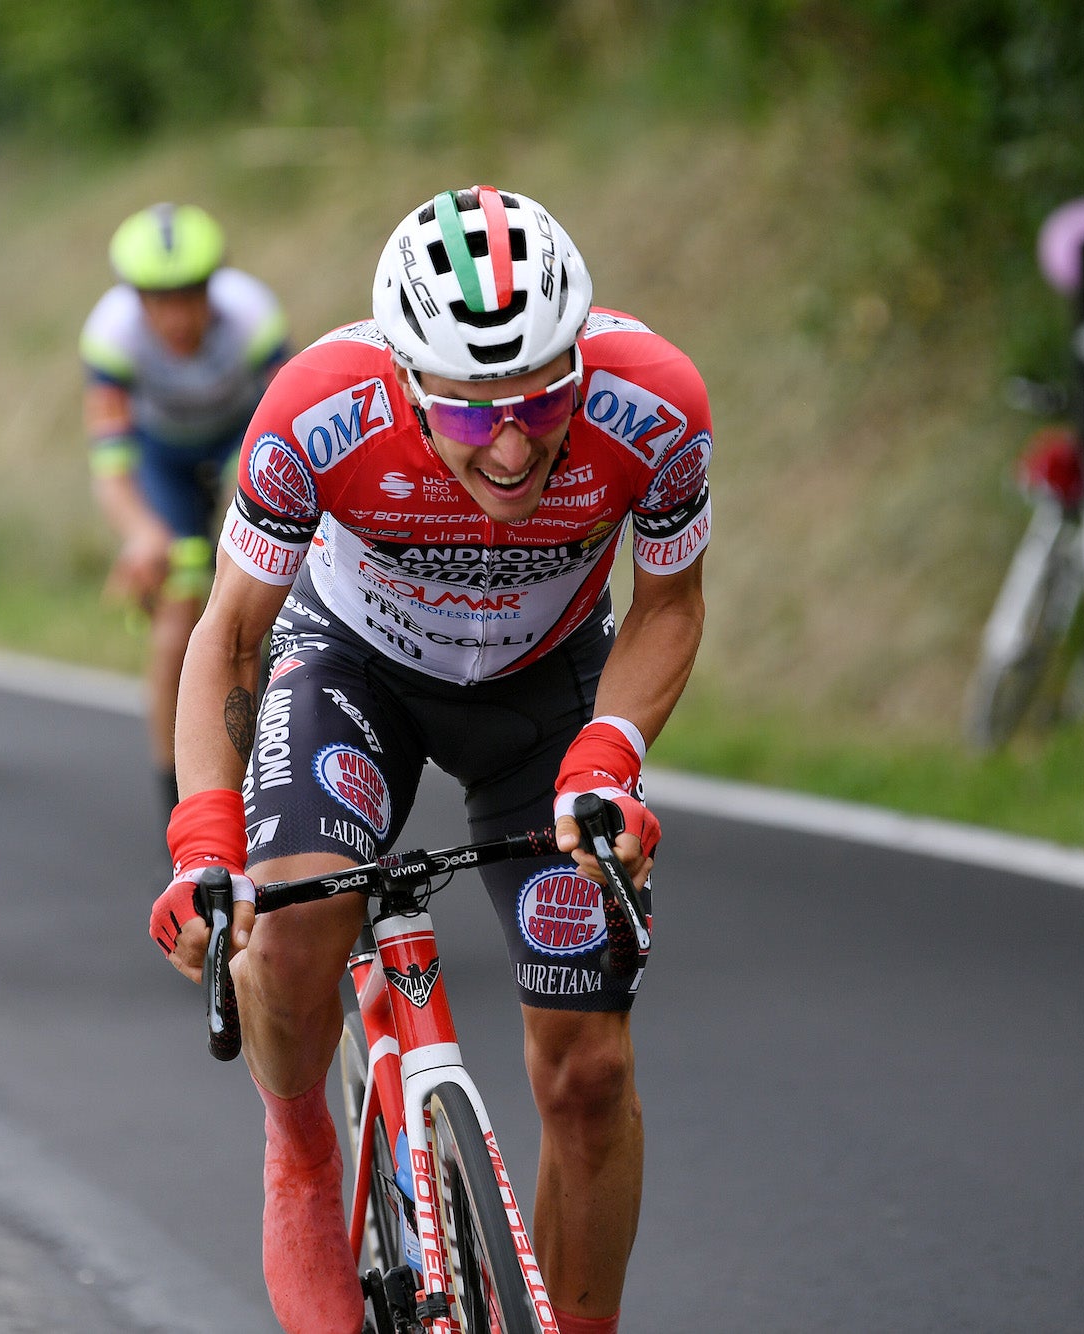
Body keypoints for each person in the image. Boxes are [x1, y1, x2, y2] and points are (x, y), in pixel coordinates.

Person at [150, 187, 712, 1334]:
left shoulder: (656, 404)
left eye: (541, 400)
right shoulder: (317, 408)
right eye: (465, 411)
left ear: (578, 362)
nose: (509, 445)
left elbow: (667, 604)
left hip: (545, 689)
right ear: (405, 381)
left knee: (588, 1073)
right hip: (353, 667)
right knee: (292, 931)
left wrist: (607, 756)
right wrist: (205, 842)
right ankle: (302, 1142)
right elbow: (232, 632)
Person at [80, 203, 288, 810]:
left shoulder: (253, 315)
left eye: (190, 296)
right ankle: (174, 798)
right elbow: (112, 467)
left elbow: (290, 423)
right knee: (176, 620)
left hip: (241, 441)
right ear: (134, 298)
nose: (176, 316)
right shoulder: (111, 335)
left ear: (213, 286)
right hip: (162, 456)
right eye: (158, 299)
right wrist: (143, 535)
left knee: (265, 582)